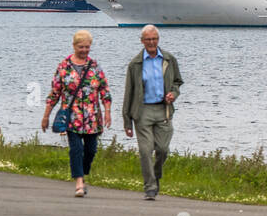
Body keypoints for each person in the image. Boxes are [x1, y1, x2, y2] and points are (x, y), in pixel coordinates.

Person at [41, 30, 112, 197]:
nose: (85, 50)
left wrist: (107, 111)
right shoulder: (64, 67)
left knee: (91, 150)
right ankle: (79, 182)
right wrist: (46, 116)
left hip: (92, 118)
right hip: (72, 117)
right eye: (81, 47)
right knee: (76, 149)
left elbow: (105, 91)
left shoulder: (95, 67)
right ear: (74, 46)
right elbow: (54, 93)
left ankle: (83, 172)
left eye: (87, 47)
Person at [122, 24, 183, 200]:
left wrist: (173, 93)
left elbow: (178, 82)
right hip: (143, 111)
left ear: (158, 39)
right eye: (148, 39)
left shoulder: (169, 59)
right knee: (145, 150)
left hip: (163, 110)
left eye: (154, 39)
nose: (151, 42)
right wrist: (127, 121)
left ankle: (155, 176)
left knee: (163, 150)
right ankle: (149, 187)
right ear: (142, 41)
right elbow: (129, 93)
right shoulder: (135, 64)